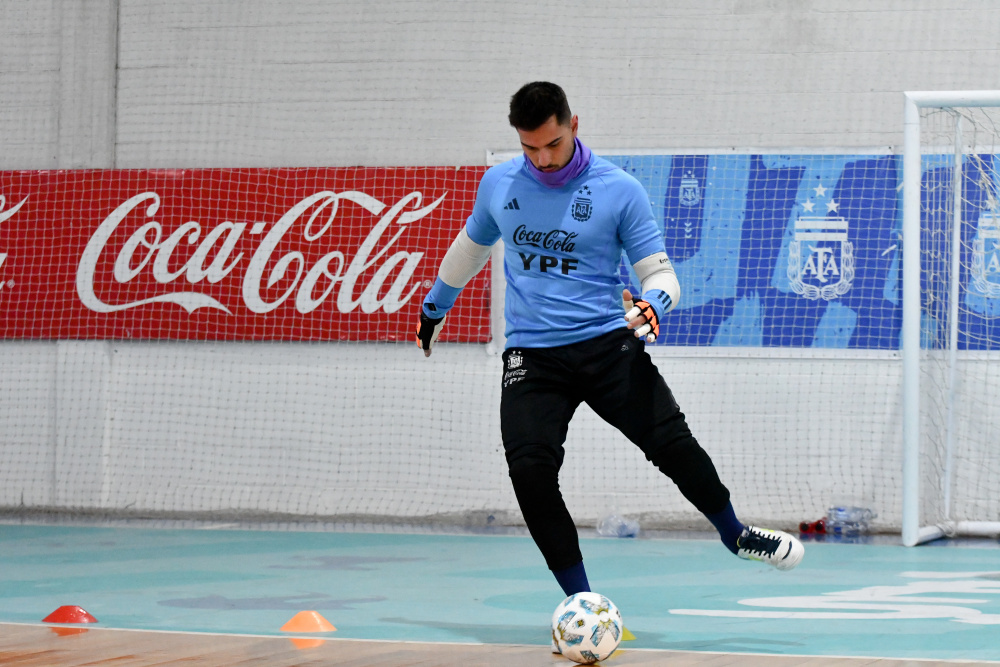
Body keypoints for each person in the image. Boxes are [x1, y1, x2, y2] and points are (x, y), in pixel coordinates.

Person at [416, 81, 803, 607]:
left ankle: (735, 533)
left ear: (573, 125)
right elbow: (470, 248)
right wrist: (434, 307)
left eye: (552, 144)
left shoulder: (619, 190)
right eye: (530, 148)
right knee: (529, 470)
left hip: (605, 345)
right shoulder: (499, 184)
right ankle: (583, 603)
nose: (542, 159)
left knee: (671, 444)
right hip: (532, 354)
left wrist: (653, 304)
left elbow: (660, 275)